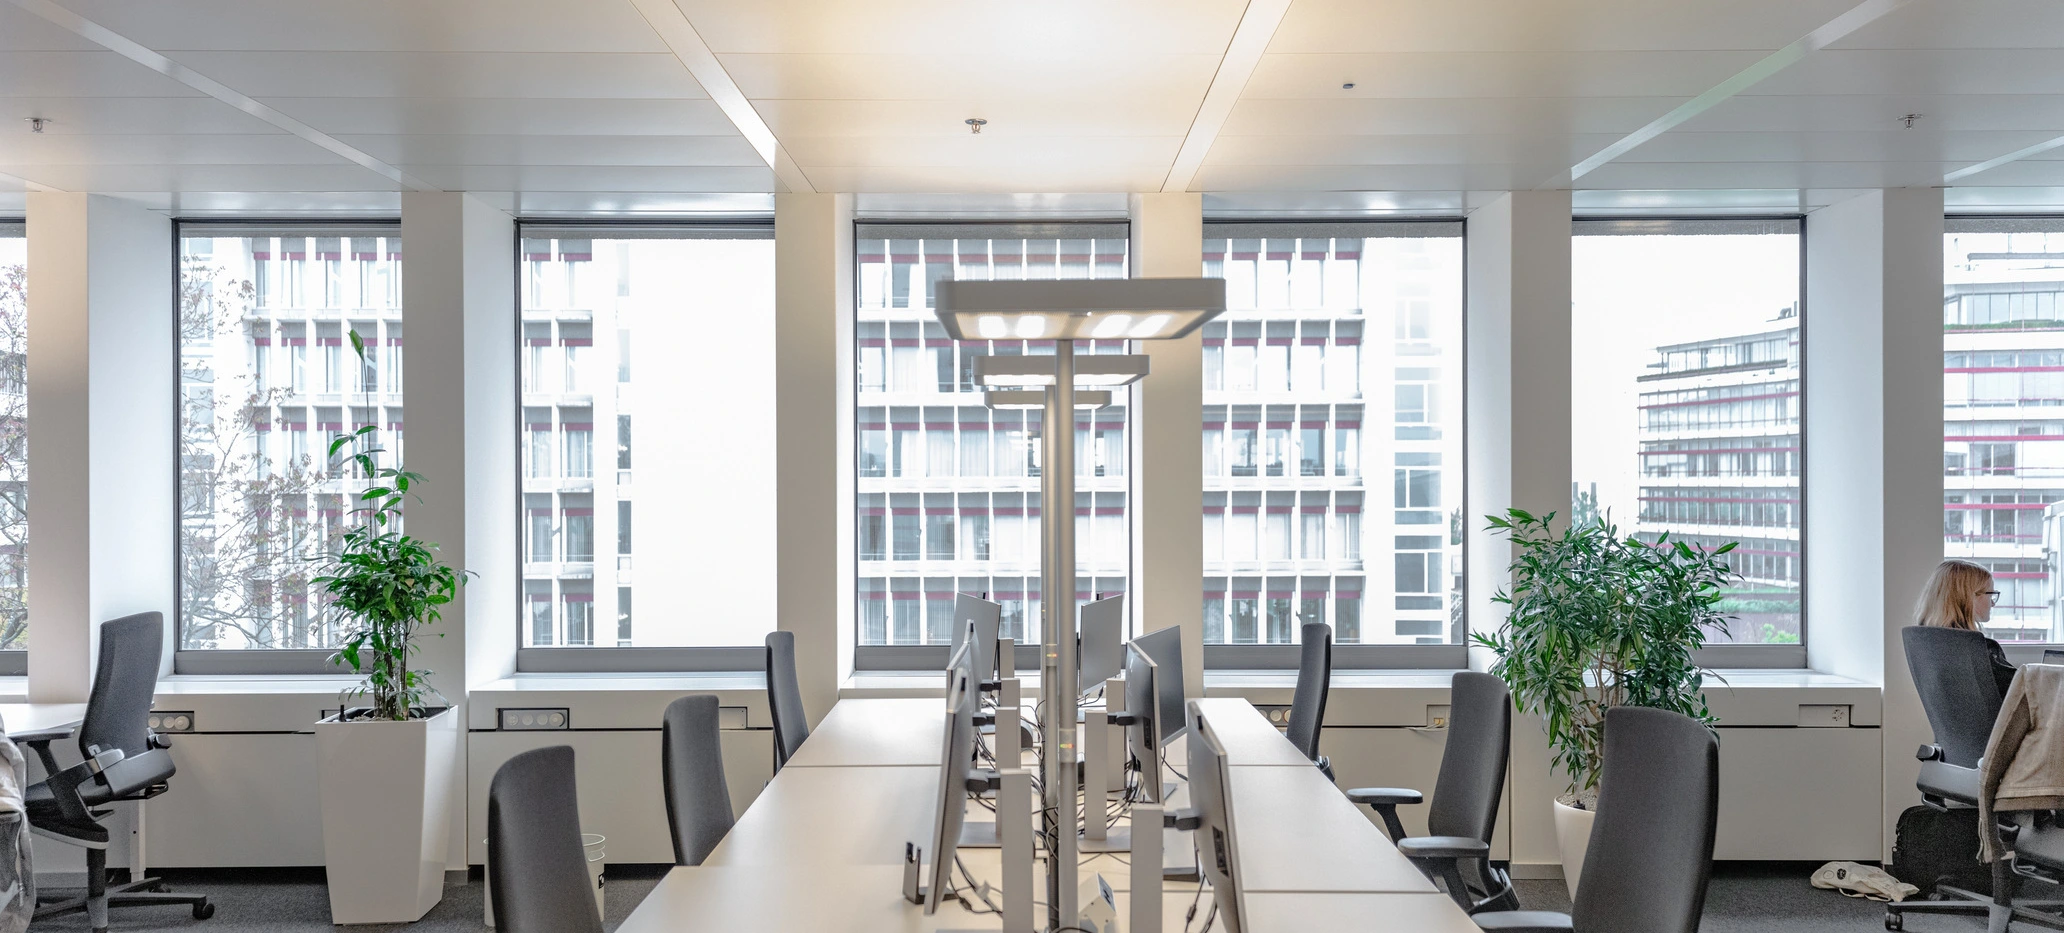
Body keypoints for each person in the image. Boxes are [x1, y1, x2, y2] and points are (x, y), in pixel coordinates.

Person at [1914, 558, 2017, 697]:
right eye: (1991, 595)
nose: (1993, 603)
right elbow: (2024, 692)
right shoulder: (1979, 650)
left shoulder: (1928, 642)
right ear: (1970, 597)